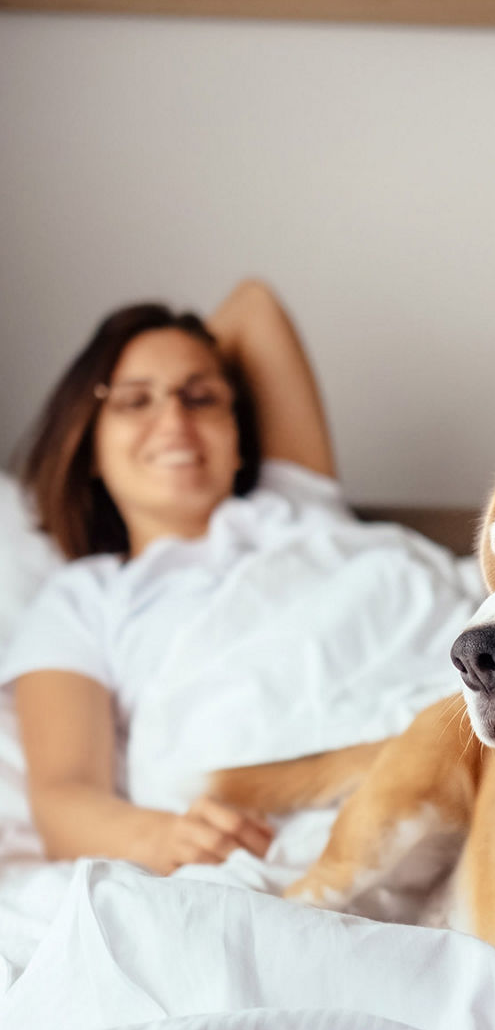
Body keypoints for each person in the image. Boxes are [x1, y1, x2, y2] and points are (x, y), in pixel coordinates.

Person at [2, 279, 339, 875]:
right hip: (276, 822)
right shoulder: (84, 599)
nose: (174, 419)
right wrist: (168, 838)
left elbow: (253, 305)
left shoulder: (297, 506)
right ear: (91, 447)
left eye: (200, 397)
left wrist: (167, 358)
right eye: (135, 402)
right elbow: (62, 797)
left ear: (239, 439)